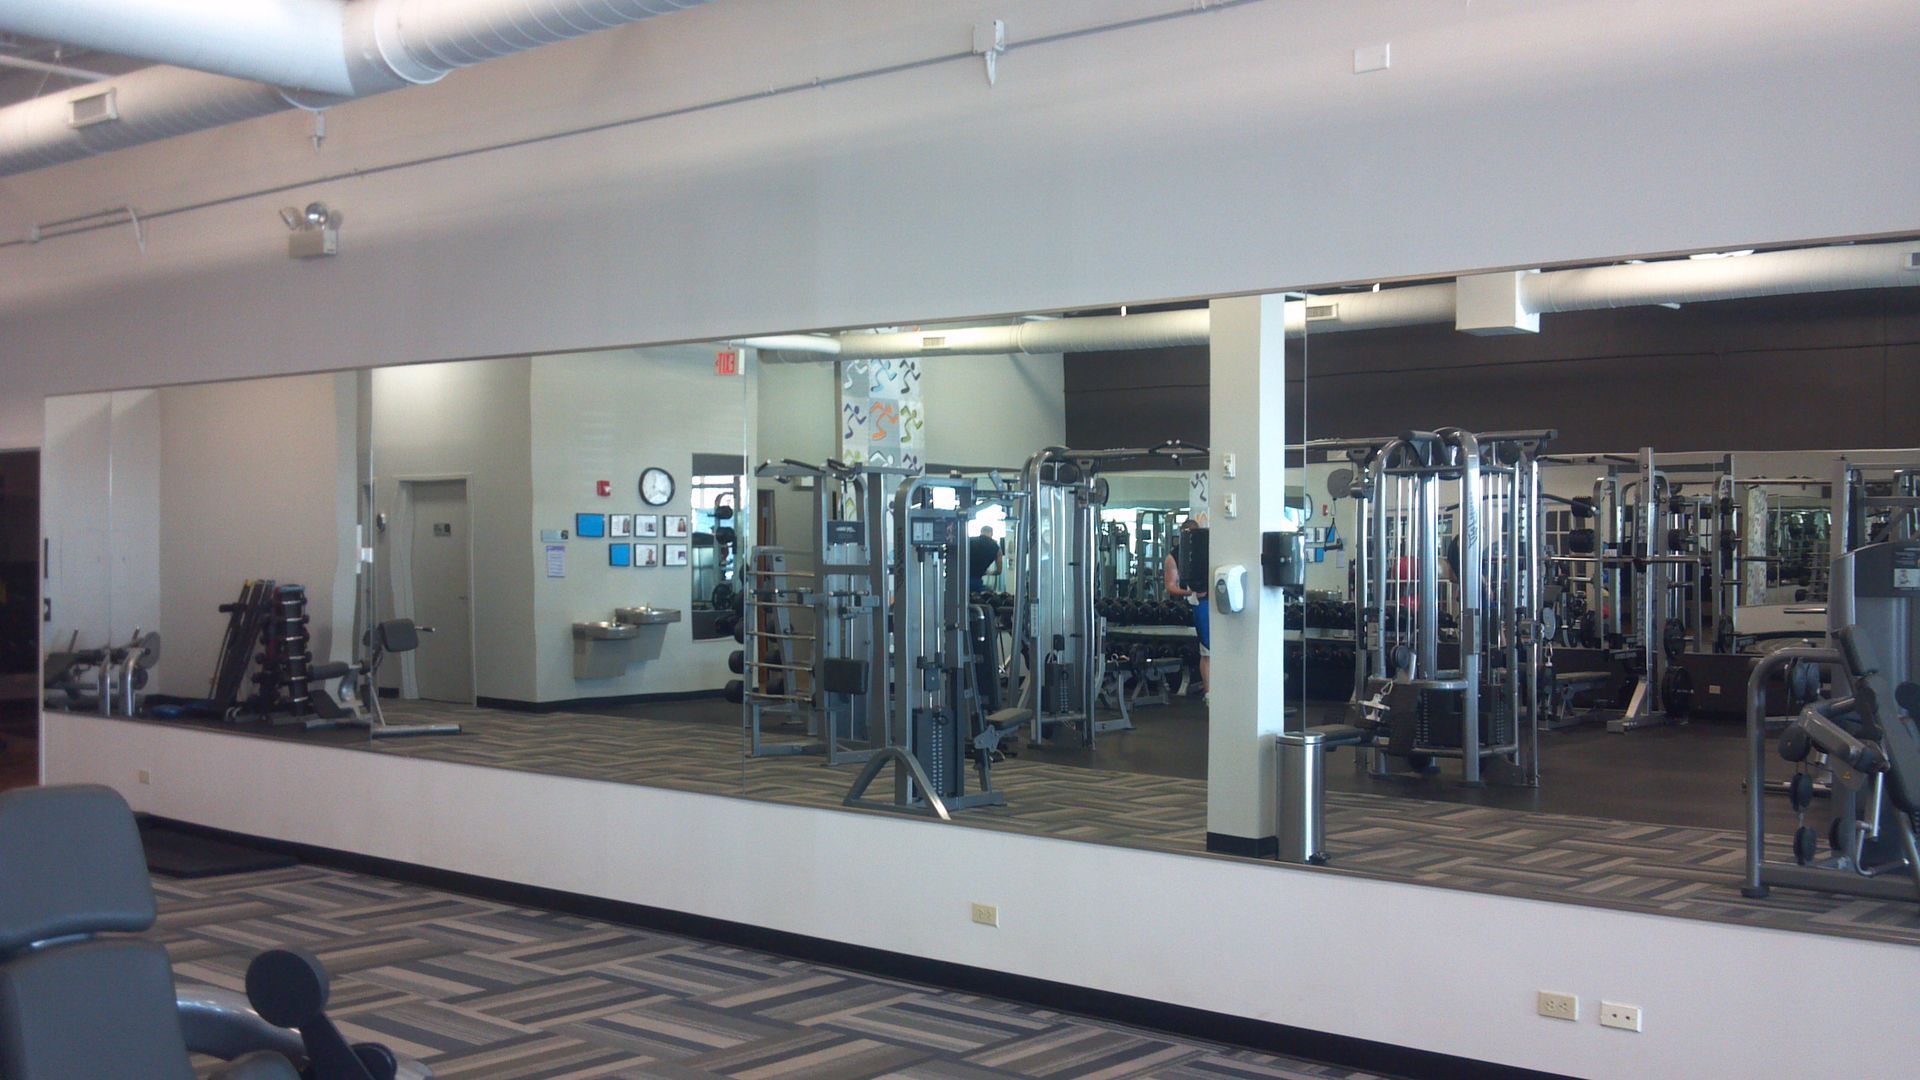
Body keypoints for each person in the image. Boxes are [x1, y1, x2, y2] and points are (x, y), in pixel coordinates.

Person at [1164, 517, 1209, 699]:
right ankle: (1209, 695)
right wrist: (1189, 593)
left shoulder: (1207, 550)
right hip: (1199, 603)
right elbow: (1170, 586)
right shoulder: (1173, 557)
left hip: (1217, 603)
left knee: (1221, 649)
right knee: (1208, 651)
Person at [968, 526, 1003, 595]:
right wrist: (987, 572)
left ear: (981, 532)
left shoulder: (969, 541)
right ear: (992, 533)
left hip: (960, 579)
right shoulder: (997, 548)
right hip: (977, 582)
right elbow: (999, 571)